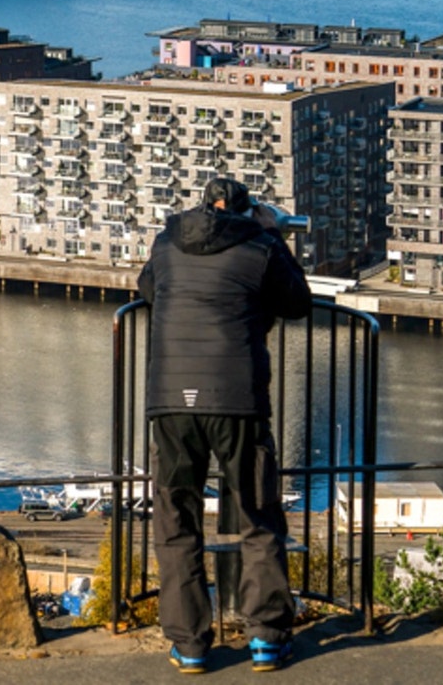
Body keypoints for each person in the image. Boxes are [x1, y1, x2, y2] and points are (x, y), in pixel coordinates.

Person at [136, 178, 312, 674]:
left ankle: (190, 644)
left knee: (176, 520)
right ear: (248, 213)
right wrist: (275, 236)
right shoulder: (260, 245)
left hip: (171, 400)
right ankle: (266, 637)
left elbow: (148, 289)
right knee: (257, 513)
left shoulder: (168, 241)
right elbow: (297, 302)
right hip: (237, 398)